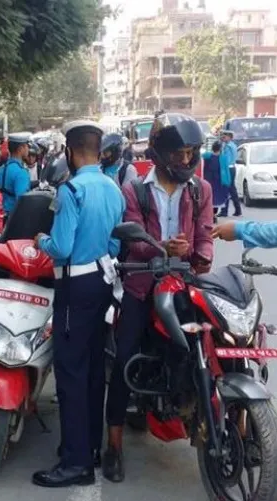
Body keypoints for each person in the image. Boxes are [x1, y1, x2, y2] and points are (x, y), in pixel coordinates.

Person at [103, 114, 213, 484]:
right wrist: (161, 247)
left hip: (184, 286)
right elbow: (132, 241)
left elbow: (205, 235)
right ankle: (114, 444)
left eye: (191, 152)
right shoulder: (134, 190)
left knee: (206, 348)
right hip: (141, 286)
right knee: (125, 360)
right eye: (179, 153)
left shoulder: (200, 190)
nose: (186, 159)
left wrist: (200, 256)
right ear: (160, 153)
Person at [32, 120, 125, 488]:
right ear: (98, 152)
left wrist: (41, 239)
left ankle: (75, 463)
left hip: (74, 288)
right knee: (92, 372)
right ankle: (90, 447)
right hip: (103, 282)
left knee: (70, 374)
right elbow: (116, 244)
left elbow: (61, 247)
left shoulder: (71, 190)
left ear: (70, 153)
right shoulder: (113, 188)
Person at [0, 133, 32, 216]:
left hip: (3, 215)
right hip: (15, 217)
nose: (28, 149)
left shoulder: (1, 169)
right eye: (27, 146)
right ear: (20, 149)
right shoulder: (21, 172)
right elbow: (22, 202)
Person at [218, 130, 241, 218]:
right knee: (232, 190)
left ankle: (224, 211)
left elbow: (225, 159)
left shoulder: (228, 146)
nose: (223, 137)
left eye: (225, 136)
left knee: (226, 189)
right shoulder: (231, 145)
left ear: (230, 137)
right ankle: (238, 210)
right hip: (231, 169)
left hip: (228, 169)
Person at [202, 141, 228, 215]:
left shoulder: (206, 156)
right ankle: (213, 215)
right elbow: (226, 171)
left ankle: (210, 214)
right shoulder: (222, 158)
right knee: (216, 199)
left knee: (208, 197)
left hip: (207, 180)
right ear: (220, 149)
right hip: (217, 181)